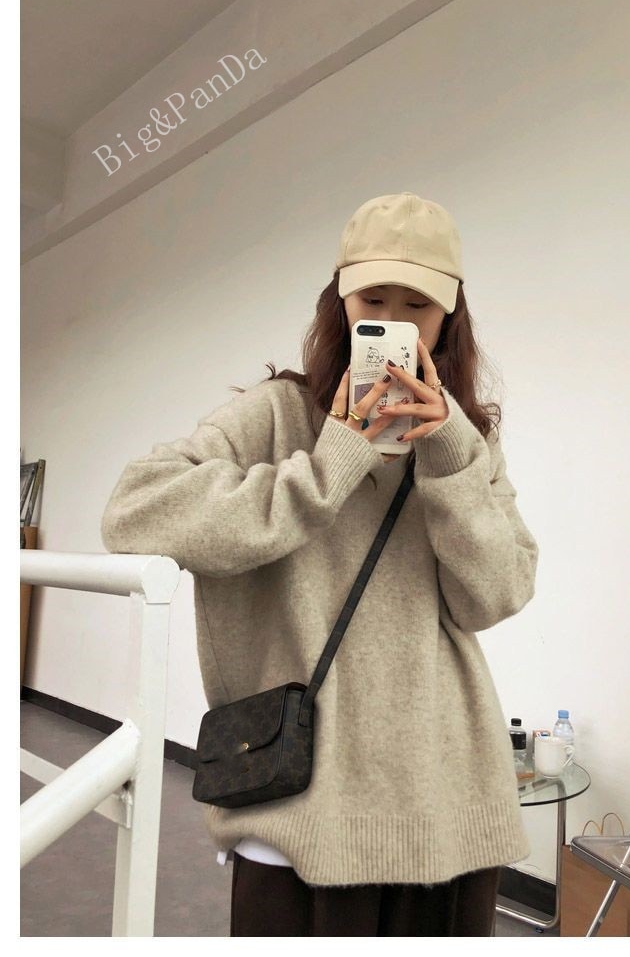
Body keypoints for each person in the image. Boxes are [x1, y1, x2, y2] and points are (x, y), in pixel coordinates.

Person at [100, 191, 539, 936]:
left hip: (450, 800)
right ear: (340, 301)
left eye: (418, 305)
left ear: (450, 317)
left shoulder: (468, 444)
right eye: (374, 298)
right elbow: (133, 510)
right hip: (302, 807)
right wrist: (329, 465)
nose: (395, 321)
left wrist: (450, 456)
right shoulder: (278, 415)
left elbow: (494, 596)